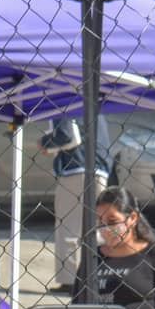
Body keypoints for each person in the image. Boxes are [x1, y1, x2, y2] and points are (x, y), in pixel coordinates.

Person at [39, 110, 112, 294]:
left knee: (67, 226)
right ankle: (102, 276)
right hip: (100, 167)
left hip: (75, 168)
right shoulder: (93, 99)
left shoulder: (61, 99)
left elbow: (67, 136)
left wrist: (45, 143)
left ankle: (69, 280)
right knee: (95, 226)